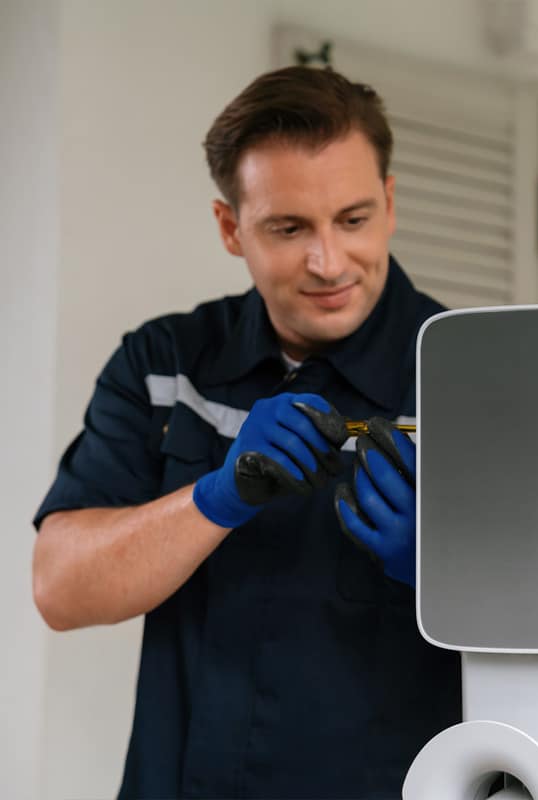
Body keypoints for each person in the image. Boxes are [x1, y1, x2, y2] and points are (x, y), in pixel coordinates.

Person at [32, 66, 461, 799]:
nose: (328, 262)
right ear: (232, 228)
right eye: (289, 228)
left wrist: (447, 573)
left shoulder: (475, 375)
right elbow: (61, 588)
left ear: (389, 204)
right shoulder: (165, 367)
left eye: (353, 220)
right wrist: (215, 499)